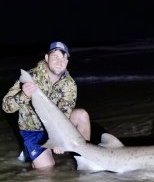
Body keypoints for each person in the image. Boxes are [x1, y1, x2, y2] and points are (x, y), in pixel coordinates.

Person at [2, 41, 91, 169]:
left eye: (64, 58)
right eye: (55, 57)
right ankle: (29, 153)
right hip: (33, 130)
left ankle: (84, 159)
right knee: (47, 170)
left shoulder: (69, 84)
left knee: (81, 115)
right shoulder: (30, 77)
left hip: (56, 126)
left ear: (67, 62)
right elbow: (6, 106)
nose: (60, 62)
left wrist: (60, 139)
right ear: (46, 58)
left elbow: (65, 113)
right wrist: (24, 95)